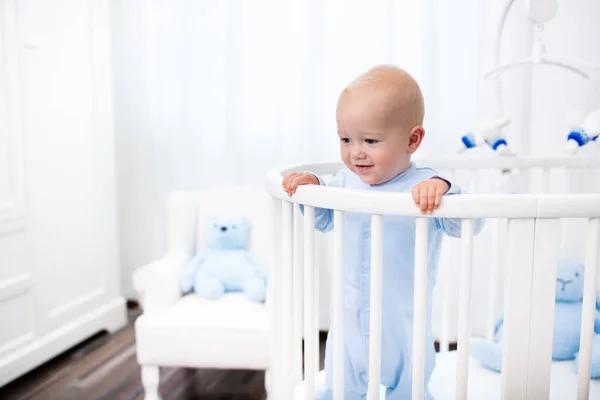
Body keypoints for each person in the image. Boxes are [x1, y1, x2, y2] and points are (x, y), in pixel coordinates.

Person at [282, 64, 484, 399]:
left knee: (410, 381)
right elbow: (322, 220)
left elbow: (468, 225)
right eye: (345, 139)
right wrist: (313, 188)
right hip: (348, 316)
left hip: (402, 318)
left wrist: (445, 192)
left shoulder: (425, 186)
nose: (355, 151)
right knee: (341, 382)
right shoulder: (345, 182)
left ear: (413, 139)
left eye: (370, 141)